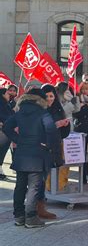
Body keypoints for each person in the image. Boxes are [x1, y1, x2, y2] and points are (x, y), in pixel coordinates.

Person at [3, 88, 61, 228]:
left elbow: (6, 127)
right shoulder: (43, 113)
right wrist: (48, 145)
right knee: (34, 187)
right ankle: (31, 217)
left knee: (20, 186)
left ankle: (19, 217)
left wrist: (18, 139)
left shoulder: (19, 112)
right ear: (40, 100)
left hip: (22, 154)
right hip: (37, 154)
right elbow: (52, 132)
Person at [37, 84, 71, 219]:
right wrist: (56, 125)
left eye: (52, 96)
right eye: (47, 96)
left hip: (54, 147)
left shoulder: (57, 108)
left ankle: (41, 207)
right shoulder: (38, 110)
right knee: (38, 180)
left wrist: (65, 126)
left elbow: (63, 134)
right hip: (40, 148)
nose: (49, 99)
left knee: (44, 177)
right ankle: (35, 207)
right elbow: (38, 129)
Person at [0, 88, 15, 180]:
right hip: (2, 132)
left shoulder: (6, 104)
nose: (9, 94)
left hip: (6, 133)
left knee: (2, 151)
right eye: (7, 93)